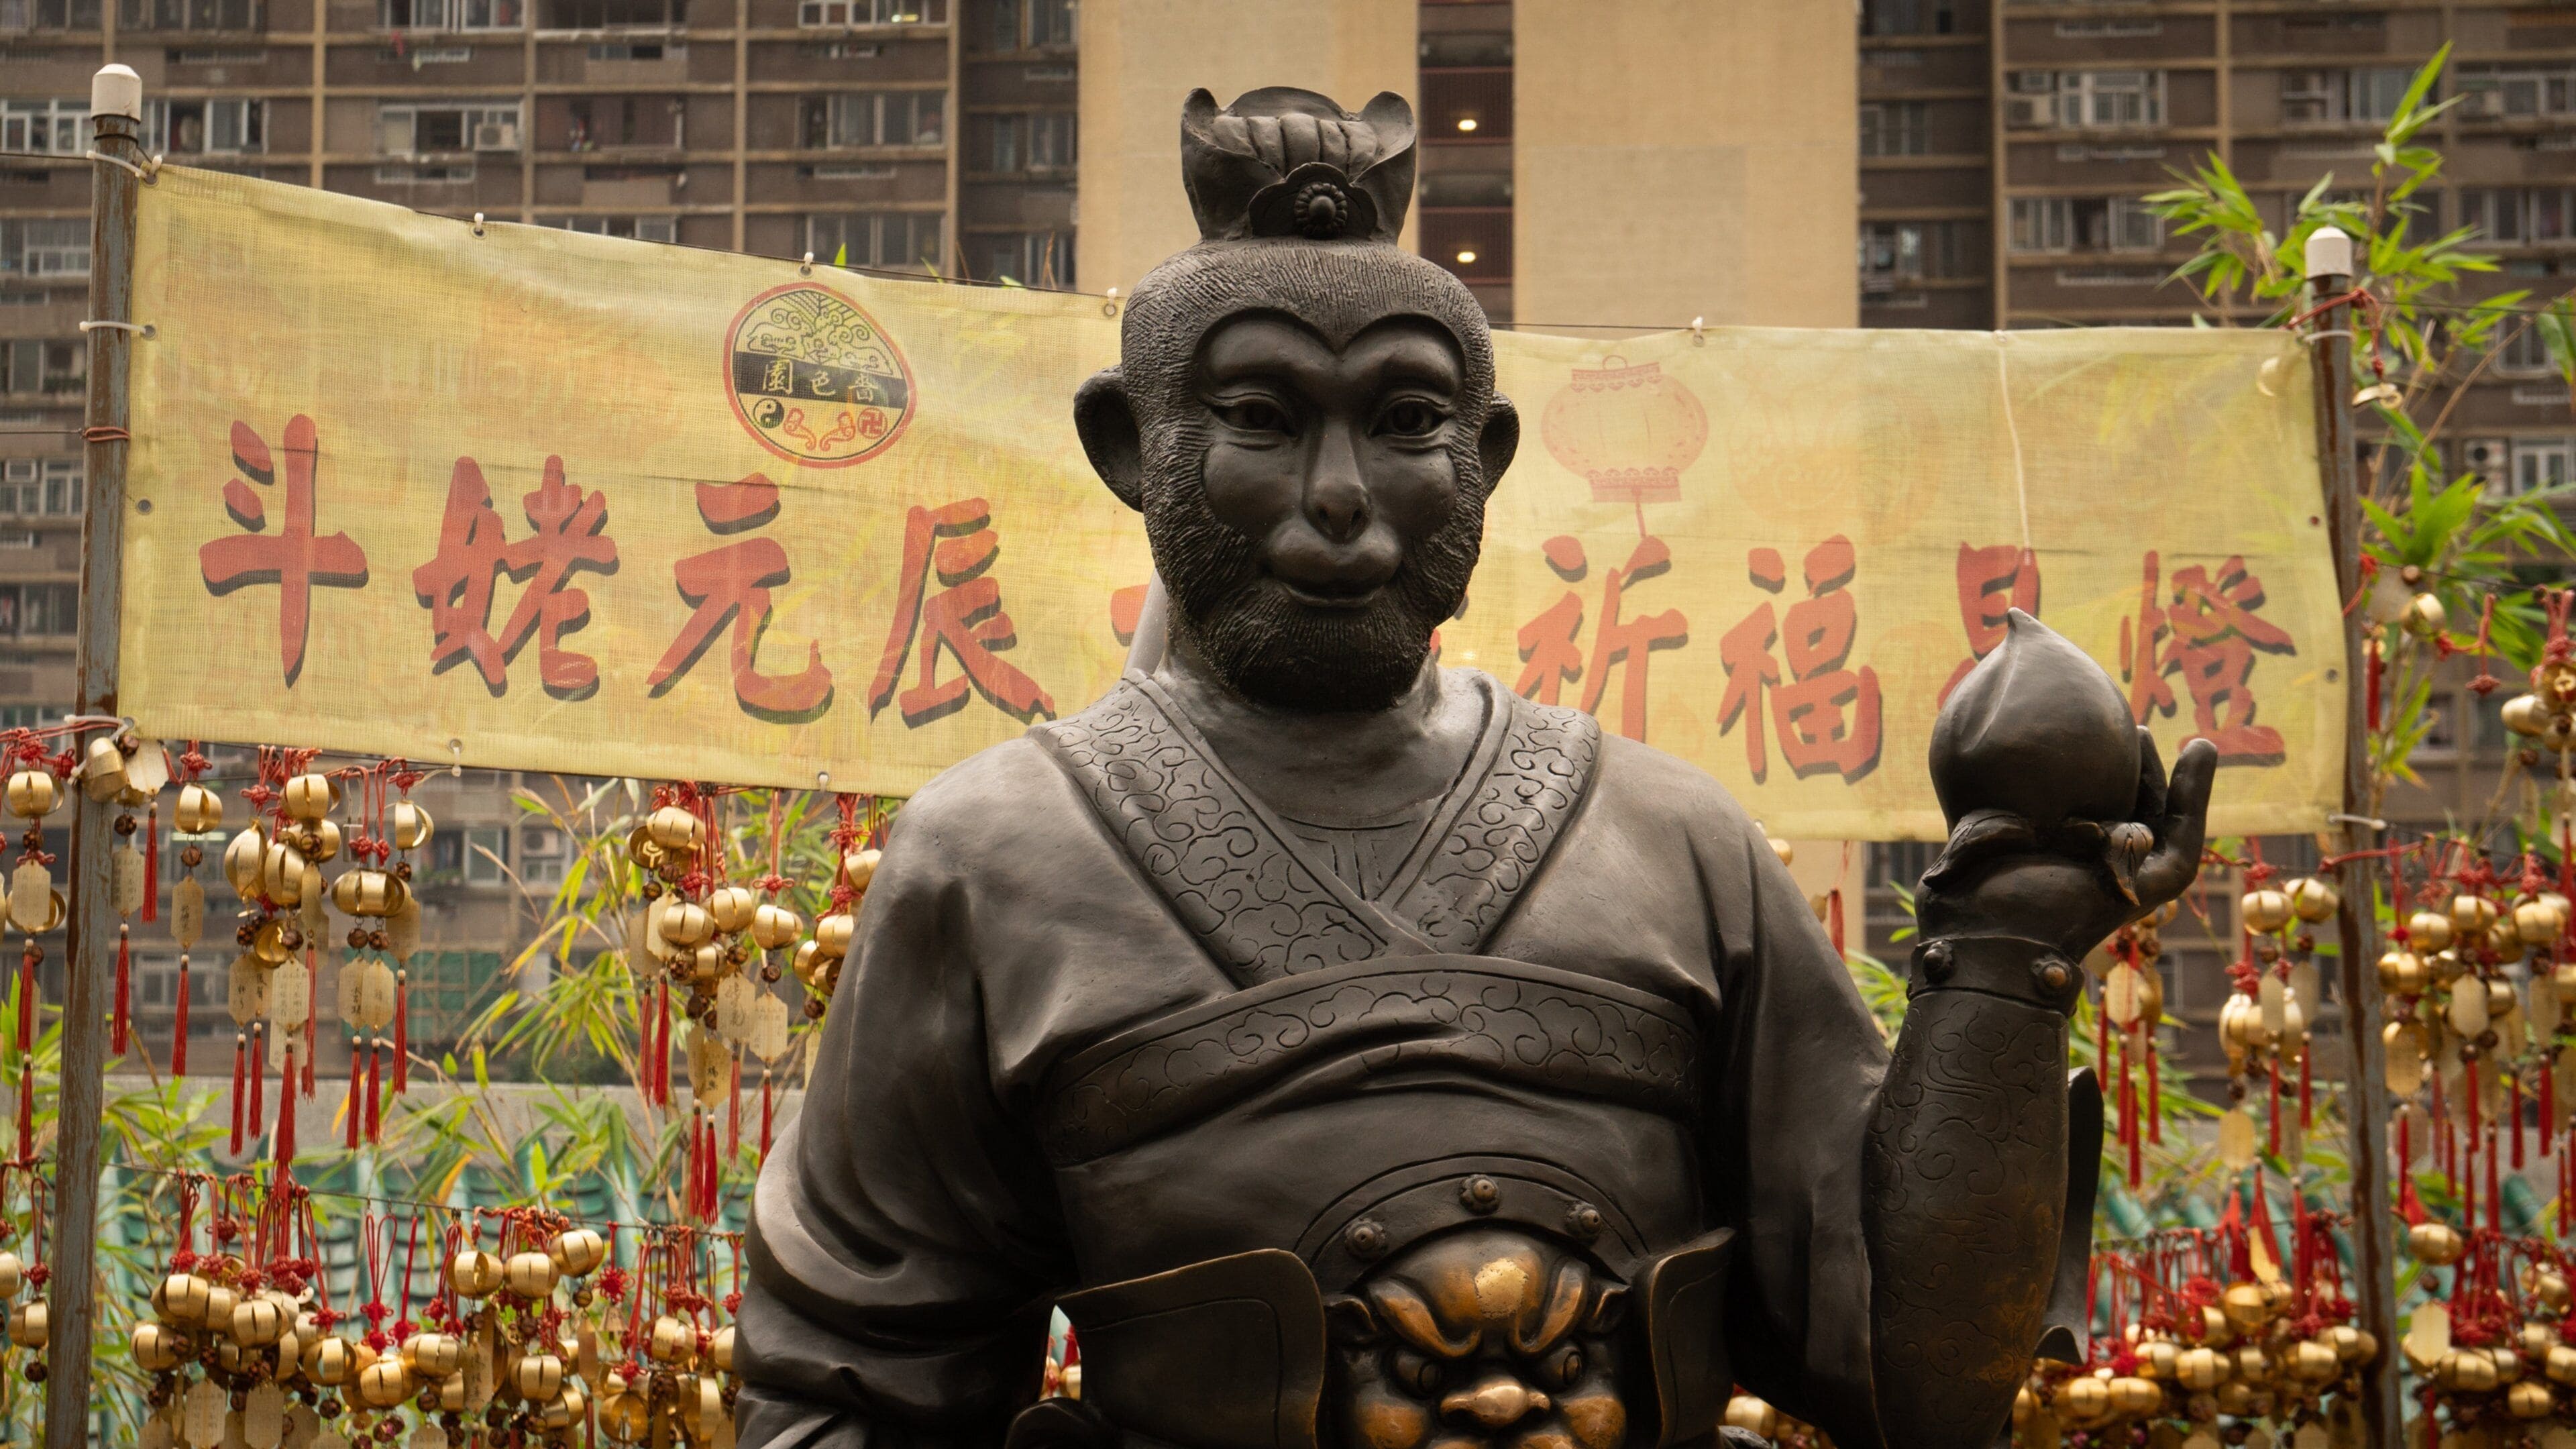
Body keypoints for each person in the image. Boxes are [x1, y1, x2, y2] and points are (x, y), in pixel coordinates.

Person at [738, 86, 2214, 1449]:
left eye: (1405, 425)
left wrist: (2010, 953)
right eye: (1260, 422)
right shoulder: (995, 860)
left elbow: (1911, 1373)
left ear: (1488, 456)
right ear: (1135, 447)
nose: (1339, 502)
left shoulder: (1673, 844)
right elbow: (847, 1388)